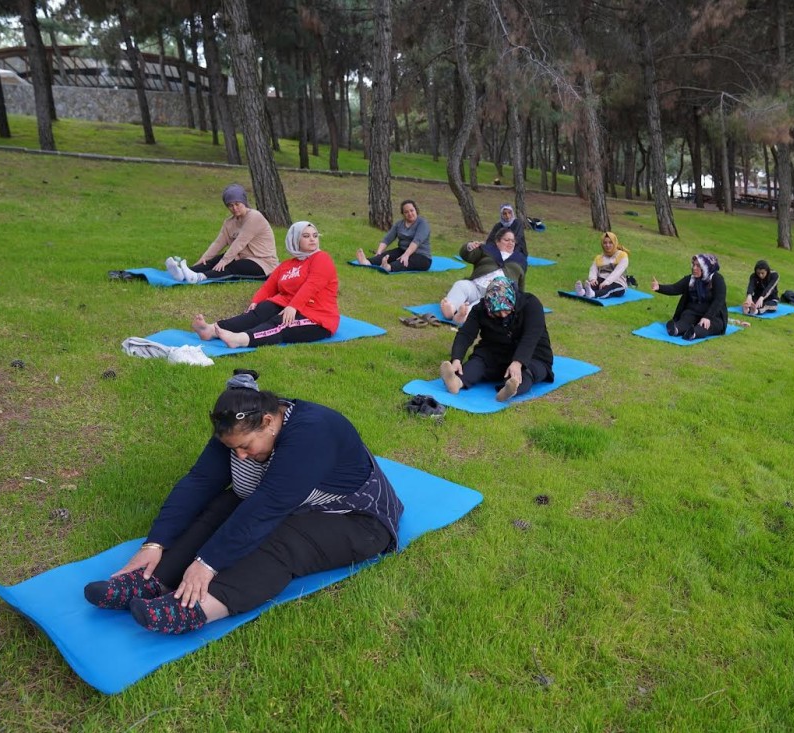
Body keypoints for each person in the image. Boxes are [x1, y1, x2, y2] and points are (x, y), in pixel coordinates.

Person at [83, 371, 404, 634]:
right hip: (295, 501)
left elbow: (268, 506)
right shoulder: (238, 428)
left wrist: (207, 564)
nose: (240, 455)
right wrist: (155, 543)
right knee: (222, 506)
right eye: (234, 448)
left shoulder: (313, 432)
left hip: (359, 520)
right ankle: (154, 580)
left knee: (282, 538)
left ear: (268, 420)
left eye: (246, 447)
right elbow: (199, 482)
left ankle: (199, 607)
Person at [191, 221, 339, 349]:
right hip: (289, 306)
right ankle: (210, 330)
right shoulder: (287, 264)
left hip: (317, 316)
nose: (312, 239)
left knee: (281, 323)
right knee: (262, 310)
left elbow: (313, 285)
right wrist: (256, 301)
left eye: (315, 235)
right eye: (306, 236)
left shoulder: (321, 258)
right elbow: (269, 286)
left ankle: (239, 340)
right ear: (295, 240)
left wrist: (293, 306)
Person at [439, 277, 554, 402]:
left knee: (524, 373)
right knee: (477, 363)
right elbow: (465, 334)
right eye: (497, 313)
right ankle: (456, 382)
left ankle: (510, 389)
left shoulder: (531, 304)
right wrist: (456, 359)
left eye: (506, 311)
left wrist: (518, 362)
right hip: (496, 351)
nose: (503, 316)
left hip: (533, 354)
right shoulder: (480, 309)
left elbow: (531, 337)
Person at [165, 184, 279, 283]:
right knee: (213, 261)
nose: (234, 208)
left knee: (229, 265)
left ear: (244, 202)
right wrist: (203, 258)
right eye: (230, 205)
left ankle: (199, 277)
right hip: (241, 256)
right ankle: (183, 273)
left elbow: (240, 243)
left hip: (263, 263)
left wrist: (224, 261)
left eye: (237, 204)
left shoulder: (254, 217)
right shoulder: (229, 222)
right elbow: (218, 243)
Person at [440, 229, 528, 326]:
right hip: (476, 285)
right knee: (461, 285)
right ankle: (451, 308)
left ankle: (464, 315)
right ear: (497, 241)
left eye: (513, 241)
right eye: (506, 240)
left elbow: (520, 283)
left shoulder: (520, 260)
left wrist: (519, 300)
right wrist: (469, 246)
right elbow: (467, 255)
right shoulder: (487, 250)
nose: (510, 243)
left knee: (484, 303)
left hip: (496, 292)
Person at [651, 253, 728, 340]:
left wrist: (707, 317)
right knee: (686, 319)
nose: (694, 268)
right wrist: (659, 287)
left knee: (705, 326)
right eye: (694, 265)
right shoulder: (691, 279)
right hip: (693, 312)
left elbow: (719, 300)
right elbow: (675, 288)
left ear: (706, 267)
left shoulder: (717, 279)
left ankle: (693, 333)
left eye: (698, 266)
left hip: (714, 315)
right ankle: (676, 329)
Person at [355, 199, 431, 272]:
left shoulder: (423, 223)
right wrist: (378, 253)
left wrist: (406, 254)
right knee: (387, 255)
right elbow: (387, 239)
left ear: (416, 210)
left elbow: (416, 241)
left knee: (404, 260)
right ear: (403, 214)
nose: (410, 214)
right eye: (406, 212)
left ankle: (388, 267)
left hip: (421, 256)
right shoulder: (399, 224)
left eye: (411, 210)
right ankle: (366, 262)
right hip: (402, 250)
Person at [574, 231, 629, 299]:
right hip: (602, 280)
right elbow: (593, 269)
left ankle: (593, 294)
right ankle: (582, 292)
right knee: (593, 284)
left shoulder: (622, 255)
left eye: (610, 242)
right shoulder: (599, 257)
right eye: (605, 243)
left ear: (615, 243)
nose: (607, 245)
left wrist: (607, 282)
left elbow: (617, 272)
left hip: (618, 282)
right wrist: (593, 279)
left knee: (608, 289)